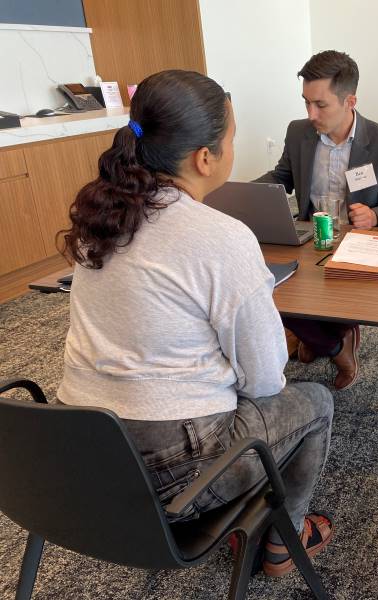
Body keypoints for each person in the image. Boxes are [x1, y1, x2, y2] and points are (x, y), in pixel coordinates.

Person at [57, 70, 335, 576]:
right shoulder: (219, 238)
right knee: (314, 401)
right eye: (232, 137)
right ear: (205, 158)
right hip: (173, 469)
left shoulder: (100, 213)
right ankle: (281, 545)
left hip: (78, 450)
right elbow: (268, 377)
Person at [255, 50, 378, 390]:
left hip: (359, 247)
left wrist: (375, 215)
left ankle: (320, 335)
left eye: (320, 105)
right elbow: (282, 176)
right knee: (267, 290)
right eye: (306, 102)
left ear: (350, 100)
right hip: (311, 243)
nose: (310, 114)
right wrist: (239, 191)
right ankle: (337, 346)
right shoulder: (299, 133)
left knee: (329, 302)